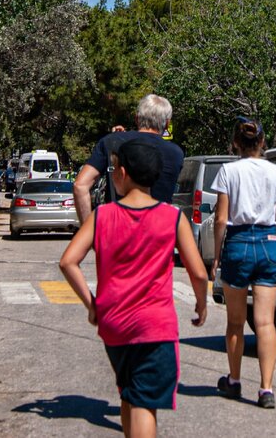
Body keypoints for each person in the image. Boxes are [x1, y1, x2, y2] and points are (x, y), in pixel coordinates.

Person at [59, 137, 208, 438]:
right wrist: (202, 303)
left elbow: (68, 262)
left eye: (114, 168)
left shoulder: (101, 216)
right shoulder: (172, 218)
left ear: (123, 174)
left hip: (114, 324)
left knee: (129, 393)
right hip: (155, 326)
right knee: (144, 403)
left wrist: (92, 305)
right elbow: (199, 274)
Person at [210, 117, 276, 409]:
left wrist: (217, 255)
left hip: (238, 243)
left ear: (235, 143)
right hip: (268, 242)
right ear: (262, 142)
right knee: (266, 322)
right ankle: (266, 389)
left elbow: (221, 219)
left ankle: (234, 379)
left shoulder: (228, 171)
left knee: (235, 321)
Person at [74, 94, 184, 223]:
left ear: (137, 118)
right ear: (167, 124)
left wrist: (90, 231)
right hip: (159, 231)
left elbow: (80, 186)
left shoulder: (111, 142)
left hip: (117, 230)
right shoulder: (176, 153)